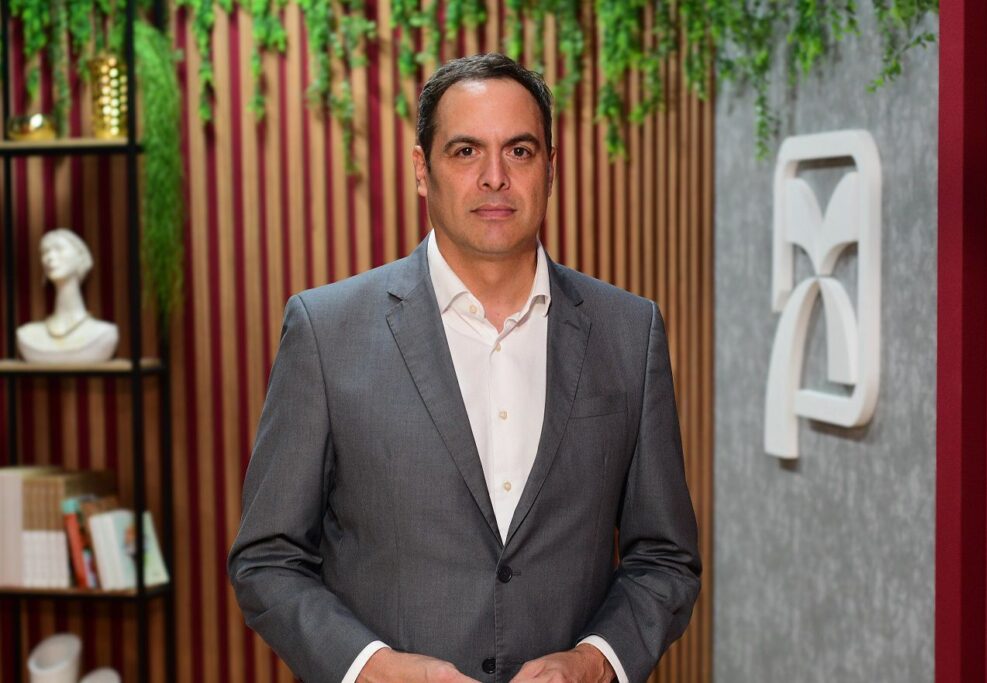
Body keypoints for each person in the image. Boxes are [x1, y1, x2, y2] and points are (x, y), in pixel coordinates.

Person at [228, 53, 700, 683]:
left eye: (520, 151)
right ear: (422, 170)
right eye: (466, 151)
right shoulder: (327, 331)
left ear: (551, 170)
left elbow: (665, 558)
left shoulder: (629, 331)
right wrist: (372, 669)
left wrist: (594, 662)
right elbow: (267, 560)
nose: (494, 177)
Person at [16, 228, 118, 363]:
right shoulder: (26, 335)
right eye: (45, 252)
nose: (49, 257)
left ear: (80, 257)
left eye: (59, 249)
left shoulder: (105, 334)